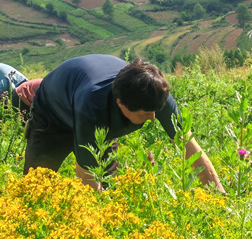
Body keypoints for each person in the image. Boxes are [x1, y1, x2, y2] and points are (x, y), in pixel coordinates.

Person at [23, 55, 226, 194]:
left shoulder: (154, 93)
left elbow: (190, 147)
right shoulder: (92, 108)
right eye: (146, 114)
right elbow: (86, 176)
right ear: (120, 104)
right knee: (37, 185)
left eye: (155, 111)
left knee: (111, 187)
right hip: (53, 113)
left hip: (98, 106)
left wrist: (219, 197)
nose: (153, 118)